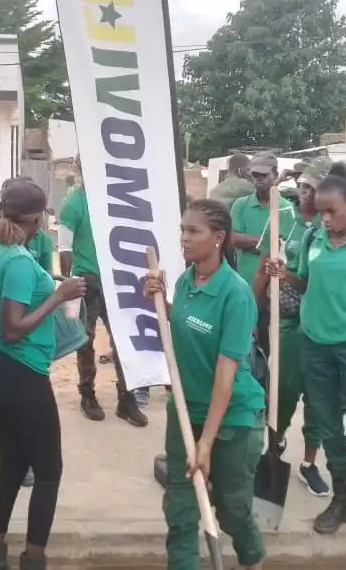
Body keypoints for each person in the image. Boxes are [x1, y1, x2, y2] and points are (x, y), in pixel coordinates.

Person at [267, 162, 346, 546]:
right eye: (319, 211)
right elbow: (307, 284)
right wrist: (284, 274)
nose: (323, 218)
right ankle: (342, 500)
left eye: (331, 211)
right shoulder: (313, 240)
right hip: (314, 345)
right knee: (327, 426)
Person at [145, 198, 267, 570]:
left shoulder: (235, 294)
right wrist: (157, 299)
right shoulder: (186, 280)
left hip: (232, 420)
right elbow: (180, 327)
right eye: (182, 229)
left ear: (219, 238)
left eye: (192, 231)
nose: (183, 237)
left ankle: (252, 559)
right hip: (184, 410)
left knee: (231, 510)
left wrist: (206, 443)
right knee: (181, 511)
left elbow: (226, 376)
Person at [0, 180, 86, 570]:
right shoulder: (19, 260)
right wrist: (59, 296)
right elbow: (12, 327)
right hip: (20, 370)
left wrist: (49, 286)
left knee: (12, 466)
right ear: (39, 217)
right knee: (49, 472)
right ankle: (33, 559)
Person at [252, 155, 331, 498]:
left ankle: (310, 463)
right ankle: (275, 443)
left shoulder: (331, 229)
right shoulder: (280, 218)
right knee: (279, 393)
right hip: (283, 324)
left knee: (318, 400)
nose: (306, 193)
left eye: (313, 188)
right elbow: (259, 270)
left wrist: (287, 275)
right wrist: (251, 315)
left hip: (319, 326)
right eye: (302, 186)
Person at [59, 158, 147, 427]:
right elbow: (64, 247)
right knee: (85, 341)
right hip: (88, 279)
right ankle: (88, 395)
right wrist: (70, 282)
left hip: (119, 278)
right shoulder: (75, 202)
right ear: (81, 170)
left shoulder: (118, 200)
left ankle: (127, 398)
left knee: (124, 339)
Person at [230, 151, 297, 354]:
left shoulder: (287, 209)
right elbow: (233, 239)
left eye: (263, 175)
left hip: (277, 291)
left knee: (273, 350)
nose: (257, 180)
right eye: (254, 175)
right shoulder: (241, 205)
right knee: (248, 347)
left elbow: (289, 248)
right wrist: (268, 242)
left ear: (275, 174)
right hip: (246, 287)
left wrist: (251, 242)